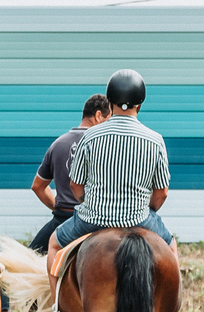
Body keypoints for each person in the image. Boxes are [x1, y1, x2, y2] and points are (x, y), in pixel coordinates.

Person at [49, 68, 176, 259]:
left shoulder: (90, 135)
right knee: (172, 248)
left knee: (53, 245)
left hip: (93, 219)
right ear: (139, 104)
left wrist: (89, 204)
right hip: (139, 219)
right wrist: (146, 211)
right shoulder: (155, 140)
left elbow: (75, 185)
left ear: (110, 102)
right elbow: (162, 192)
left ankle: (57, 291)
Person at [27, 92, 108, 251]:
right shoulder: (105, 145)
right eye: (109, 119)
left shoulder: (58, 144)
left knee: (26, 260)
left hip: (62, 220)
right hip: (96, 223)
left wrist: (57, 208)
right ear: (98, 115)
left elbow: (37, 186)